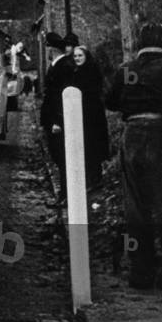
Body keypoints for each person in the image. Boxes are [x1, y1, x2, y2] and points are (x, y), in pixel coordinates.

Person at [105, 23, 162, 288]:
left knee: (136, 206)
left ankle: (141, 273)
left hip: (132, 134)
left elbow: (109, 100)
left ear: (140, 43)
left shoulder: (127, 69)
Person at [40, 31, 79, 202]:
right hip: (53, 120)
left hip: (58, 122)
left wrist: (58, 120)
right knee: (58, 157)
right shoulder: (58, 65)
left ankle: (65, 195)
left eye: (47, 47)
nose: (46, 51)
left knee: (62, 158)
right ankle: (64, 195)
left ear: (52, 49)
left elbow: (61, 96)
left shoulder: (64, 67)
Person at [67, 45, 111, 189]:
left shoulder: (92, 70)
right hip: (80, 113)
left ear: (86, 56)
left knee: (92, 145)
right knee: (83, 145)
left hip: (92, 114)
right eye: (75, 56)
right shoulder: (76, 71)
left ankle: (95, 179)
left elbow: (94, 90)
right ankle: (88, 178)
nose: (77, 58)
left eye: (80, 56)